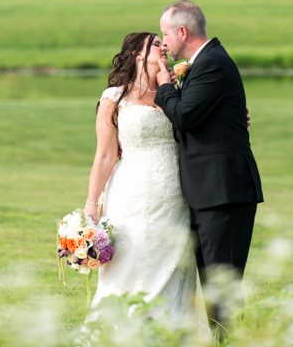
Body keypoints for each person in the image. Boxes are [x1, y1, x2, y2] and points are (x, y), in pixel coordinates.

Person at [83, 32, 209, 339]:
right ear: (138, 54)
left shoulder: (177, 92)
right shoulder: (116, 97)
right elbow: (104, 154)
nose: (164, 47)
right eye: (156, 43)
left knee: (172, 263)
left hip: (175, 195)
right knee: (130, 259)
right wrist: (91, 202)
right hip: (130, 192)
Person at [154, 0, 264, 340]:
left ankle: (226, 340)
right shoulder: (204, 64)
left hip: (223, 192)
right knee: (213, 282)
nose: (164, 42)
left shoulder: (212, 64)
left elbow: (185, 115)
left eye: (165, 34)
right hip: (210, 192)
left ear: (182, 31)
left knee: (221, 284)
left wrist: (162, 82)